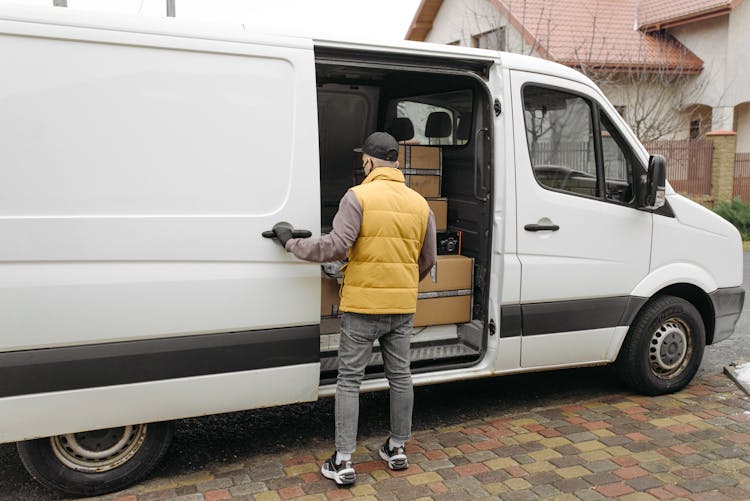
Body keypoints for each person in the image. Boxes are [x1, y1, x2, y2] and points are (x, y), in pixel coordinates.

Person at [271, 131, 437, 486]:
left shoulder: (357, 196)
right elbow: (428, 259)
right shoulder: (419, 203)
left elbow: (335, 246)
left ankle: (343, 460)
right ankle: (396, 449)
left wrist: (291, 243)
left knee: (349, 381)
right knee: (400, 376)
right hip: (402, 306)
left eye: (363, 158)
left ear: (369, 161)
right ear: (396, 161)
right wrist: (404, 283)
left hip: (363, 306)